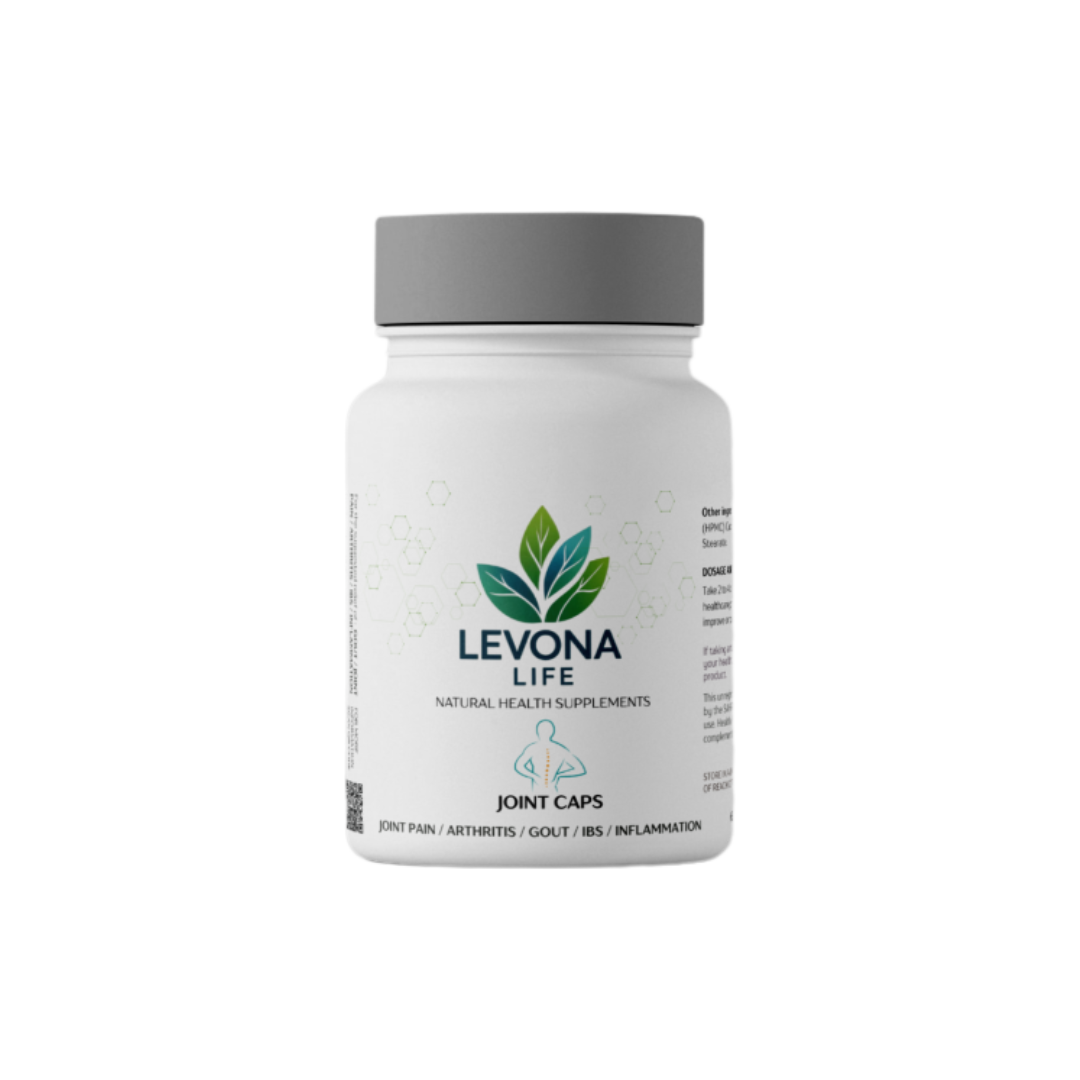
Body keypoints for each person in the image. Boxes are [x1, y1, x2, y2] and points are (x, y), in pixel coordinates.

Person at [514, 721, 586, 792]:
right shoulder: (559, 749)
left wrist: (559, 775)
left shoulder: (535, 748)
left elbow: (579, 769)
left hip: (549, 790)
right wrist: (534, 776)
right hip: (538, 790)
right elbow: (519, 766)